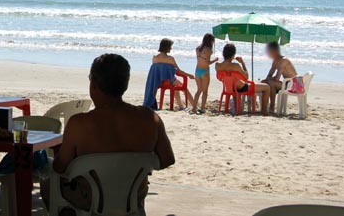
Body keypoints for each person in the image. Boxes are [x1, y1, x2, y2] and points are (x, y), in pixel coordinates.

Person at [44, 53, 175, 214]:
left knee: (47, 180)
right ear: (125, 85)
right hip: (131, 199)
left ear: (93, 85)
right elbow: (167, 159)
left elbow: (60, 167)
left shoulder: (79, 124)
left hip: (90, 201)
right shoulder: (149, 118)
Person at [216, 44, 271, 115]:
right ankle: (264, 111)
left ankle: (236, 107)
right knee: (267, 87)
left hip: (228, 88)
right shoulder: (236, 66)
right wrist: (243, 63)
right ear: (233, 55)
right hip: (241, 87)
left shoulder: (218, 65)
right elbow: (246, 77)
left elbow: (219, 77)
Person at [151, 38, 195, 110]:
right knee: (183, 87)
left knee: (176, 85)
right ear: (166, 47)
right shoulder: (170, 59)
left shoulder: (155, 58)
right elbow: (179, 71)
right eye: (170, 47)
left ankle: (181, 106)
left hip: (158, 82)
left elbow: (156, 71)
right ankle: (194, 105)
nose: (171, 48)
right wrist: (189, 75)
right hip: (169, 81)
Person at [261, 41, 298, 113]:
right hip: (287, 83)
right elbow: (270, 74)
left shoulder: (284, 61)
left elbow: (277, 78)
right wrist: (266, 80)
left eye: (269, 52)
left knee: (271, 83)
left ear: (274, 52)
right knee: (264, 83)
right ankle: (264, 107)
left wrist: (269, 80)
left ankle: (272, 107)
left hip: (294, 84)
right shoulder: (275, 61)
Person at [192, 33, 218, 114]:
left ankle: (194, 107)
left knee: (198, 90)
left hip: (197, 71)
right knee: (205, 91)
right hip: (205, 71)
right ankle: (202, 108)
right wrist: (215, 60)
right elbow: (207, 62)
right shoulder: (209, 50)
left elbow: (201, 60)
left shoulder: (198, 49)